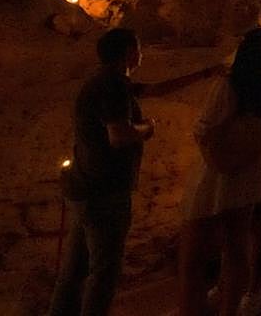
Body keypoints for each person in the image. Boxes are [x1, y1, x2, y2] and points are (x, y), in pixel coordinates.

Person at [50, 28, 219, 316]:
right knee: (104, 273)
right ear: (128, 52)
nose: (141, 54)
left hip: (85, 187)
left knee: (74, 270)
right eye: (138, 48)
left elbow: (154, 89)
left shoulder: (107, 80)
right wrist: (147, 128)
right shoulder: (112, 84)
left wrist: (206, 73)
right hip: (105, 192)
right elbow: (119, 135)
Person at [178, 28, 261, 316]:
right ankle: (230, 308)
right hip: (251, 176)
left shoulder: (229, 84)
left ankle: (192, 309)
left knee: (193, 255)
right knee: (237, 246)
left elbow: (204, 128)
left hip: (216, 174)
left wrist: (214, 156)